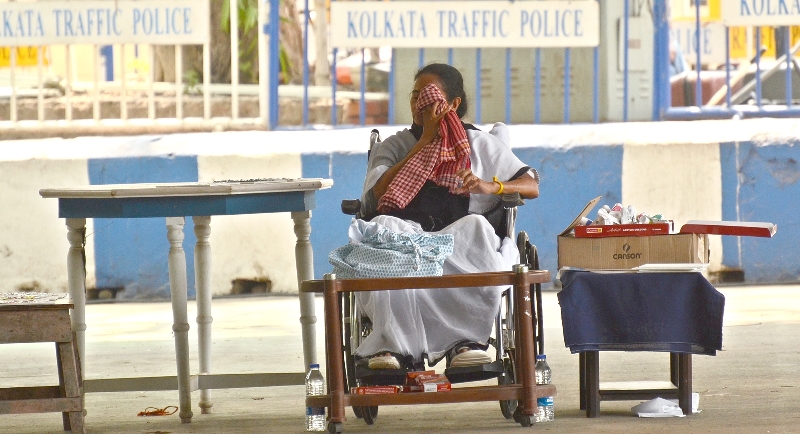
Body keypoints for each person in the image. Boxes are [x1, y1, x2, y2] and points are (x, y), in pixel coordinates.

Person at [349, 63, 540, 370]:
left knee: (477, 228)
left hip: (456, 236)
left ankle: (465, 342)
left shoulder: (478, 143)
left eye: (428, 96)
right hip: (406, 234)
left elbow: (530, 185)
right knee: (383, 229)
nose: (418, 104)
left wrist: (493, 185)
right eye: (414, 96)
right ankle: (392, 345)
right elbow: (375, 195)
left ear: (453, 104)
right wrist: (424, 143)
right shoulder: (395, 146)